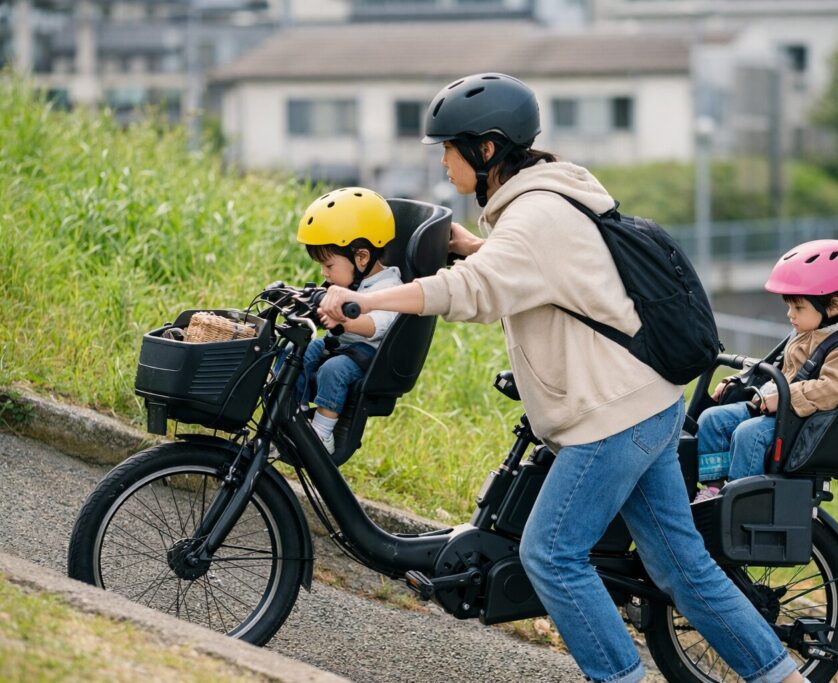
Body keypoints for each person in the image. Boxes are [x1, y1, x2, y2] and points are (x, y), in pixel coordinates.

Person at [319, 73, 807, 683]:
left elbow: (478, 292)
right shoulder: (542, 202)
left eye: (449, 147)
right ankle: (781, 677)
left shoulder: (537, 214)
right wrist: (476, 246)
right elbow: (527, 271)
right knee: (682, 567)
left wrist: (370, 303)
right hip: (643, 401)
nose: (442, 160)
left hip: (614, 415)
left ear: (487, 149)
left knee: (551, 553)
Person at [694, 239, 838, 502]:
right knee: (711, 420)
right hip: (777, 408)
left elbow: (831, 390)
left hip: (802, 423)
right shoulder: (810, 330)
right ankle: (713, 491)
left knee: (748, 435)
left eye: (798, 307)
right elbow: (776, 365)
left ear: (833, 307)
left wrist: (786, 395)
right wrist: (739, 382)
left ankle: (738, 503)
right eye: (789, 306)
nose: (790, 314)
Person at [294, 187, 403, 453]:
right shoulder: (347, 281)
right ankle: (292, 413)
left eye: (329, 266)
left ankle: (322, 433)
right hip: (338, 343)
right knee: (298, 352)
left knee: (333, 371)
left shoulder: (390, 287)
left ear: (362, 257)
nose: (324, 273)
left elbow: (377, 325)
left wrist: (345, 322)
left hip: (367, 354)